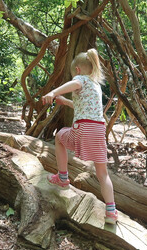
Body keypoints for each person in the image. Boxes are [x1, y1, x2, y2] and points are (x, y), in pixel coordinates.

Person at [41, 48, 118, 224]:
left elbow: (74, 84)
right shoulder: (95, 86)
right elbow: (84, 108)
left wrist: (54, 93)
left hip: (83, 128)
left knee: (60, 136)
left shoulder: (80, 79)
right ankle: (112, 211)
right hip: (99, 130)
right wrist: (66, 101)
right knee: (102, 173)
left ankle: (62, 178)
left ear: (77, 70)